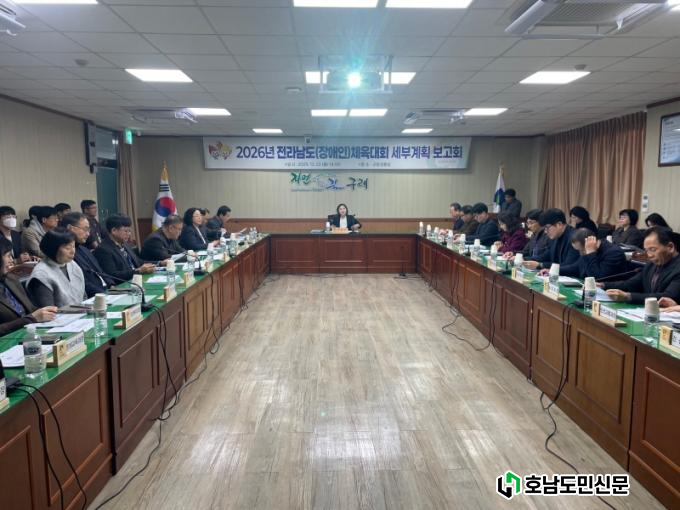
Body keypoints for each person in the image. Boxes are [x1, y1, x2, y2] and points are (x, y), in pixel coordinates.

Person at [603, 227, 680, 304]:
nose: (649, 255)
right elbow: (630, 284)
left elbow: (668, 297)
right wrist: (603, 285)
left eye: (653, 249)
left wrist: (628, 296)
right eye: (646, 250)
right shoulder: (651, 265)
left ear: (670, 247)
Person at [0, 238, 58, 336]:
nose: (11, 261)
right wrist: (30, 319)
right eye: (8, 256)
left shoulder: (11, 279)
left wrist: (46, 312)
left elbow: (30, 309)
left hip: (28, 334)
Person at [27, 228, 86, 307]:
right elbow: (48, 310)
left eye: (73, 246)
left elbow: (84, 297)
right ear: (53, 249)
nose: (73, 251)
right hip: (60, 315)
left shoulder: (72, 265)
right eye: (67, 248)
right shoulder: (41, 275)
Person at [61, 212, 115, 298]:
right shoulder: (65, 254)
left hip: (106, 292)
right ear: (70, 228)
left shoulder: (84, 249)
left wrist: (112, 285)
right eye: (85, 229)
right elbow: (82, 283)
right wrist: (104, 294)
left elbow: (100, 271)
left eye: (89, 230)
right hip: (94, 296)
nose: (88, 234)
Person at [95, 214, 156, 282]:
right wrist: (138, 271)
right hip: (122, 285)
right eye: (126, 231)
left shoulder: (125, 244)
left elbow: (138, 262)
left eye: (129, 231)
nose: (129, 234)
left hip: (135, 280)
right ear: (114, 230)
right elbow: (112, 275)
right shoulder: (103, 250)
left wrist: (159, 263)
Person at [554, 228, 629, 279]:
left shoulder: (614, 253)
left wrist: (590, 254)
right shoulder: (586, 250)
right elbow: (577, 267)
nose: (580, 254)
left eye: (581, 250)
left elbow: (596, 278)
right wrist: (555, 270)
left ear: (590, 243)